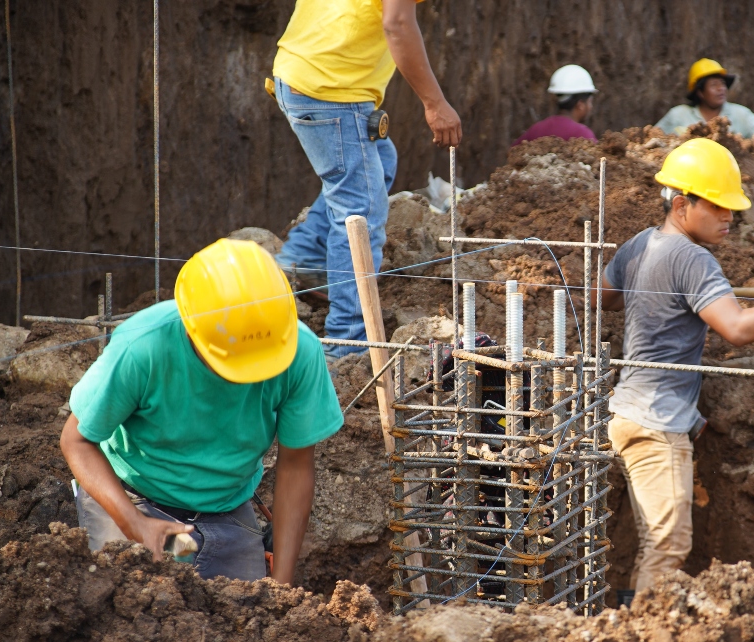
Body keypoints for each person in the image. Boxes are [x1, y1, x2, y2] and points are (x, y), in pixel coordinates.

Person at [596, 139, 754, 602]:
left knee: (658, 540)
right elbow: (736, 327)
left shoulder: (640, 246)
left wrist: (659, 290)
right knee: (667, 545)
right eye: (717, 207)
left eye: (732, 208)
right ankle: (640, 639)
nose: (729, 217)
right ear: (681, 204)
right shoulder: (693, 258)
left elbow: (601, 296)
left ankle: (633, 620)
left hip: (628, 411)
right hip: (657, 423)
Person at [61, 240, 344, 584]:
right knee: (131, 617)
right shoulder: (144, 347)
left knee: (250, 622)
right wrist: (131, 522)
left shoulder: (298, 352)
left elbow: (296, 466)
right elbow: (76, 439)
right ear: (192, 329)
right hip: (133, 495)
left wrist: (282, 590)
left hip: (227, 507)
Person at [271, 0, 462, 357]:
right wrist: (435, 103)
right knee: (360, 211)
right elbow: (397, 24)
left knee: (380, 159)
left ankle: (305, 258)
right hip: (330, 91)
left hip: (306, 74)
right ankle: (347, 341)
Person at [655, 59, 754, 138]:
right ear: (700, 92)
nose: (721, 89)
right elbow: (651, 138)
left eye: (722, 84)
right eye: (714, 85)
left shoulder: (739, 114)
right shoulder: (678, 115)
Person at [513, 65, 598, 146]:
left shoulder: (537, 129)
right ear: (580, 105)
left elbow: (513, 153)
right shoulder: (583, 135)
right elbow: (601, 160)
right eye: (590, 102)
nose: (591, 107)